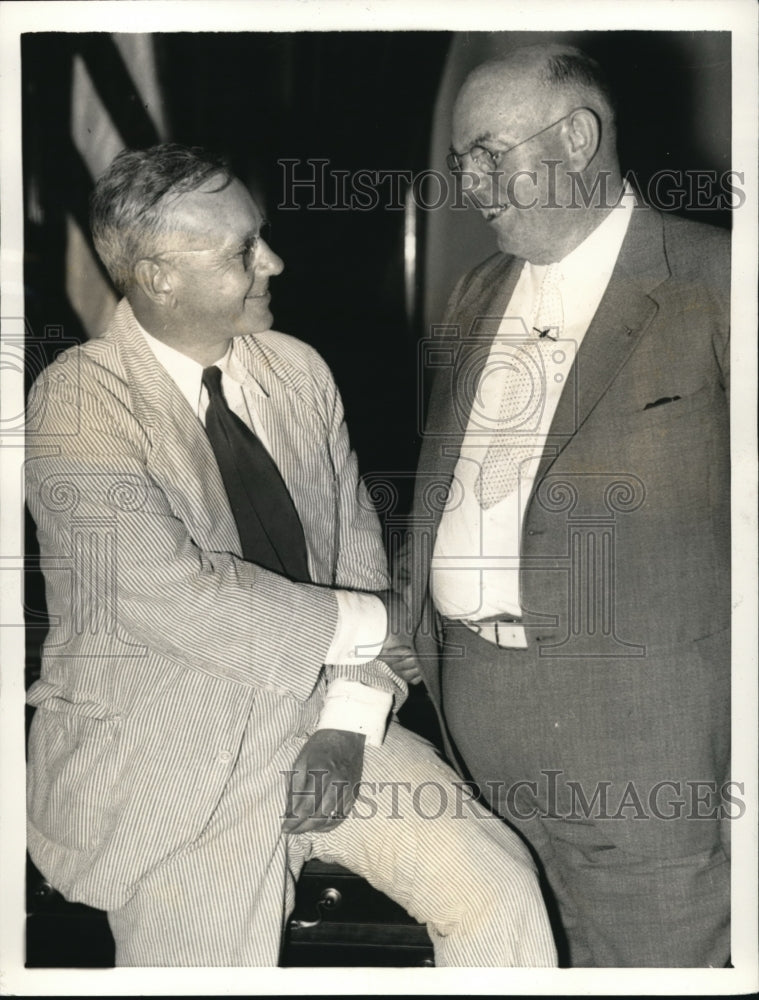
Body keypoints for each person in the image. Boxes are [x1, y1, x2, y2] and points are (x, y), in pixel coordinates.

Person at [24, 143, 557, 968]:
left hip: (321, 725)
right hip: (173, 765)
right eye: (242, 251)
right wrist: (380, 626)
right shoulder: (76, 401)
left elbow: (356, 550)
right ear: (158, 276)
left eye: (260, 235)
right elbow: (171, 596)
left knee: (500, 893)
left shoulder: (299, 371)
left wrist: (346, 724)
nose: (273, 260)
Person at [399, 44, 730, 967]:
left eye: (488, 152)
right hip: (478, 716)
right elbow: (440, 497)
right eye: (461, 160)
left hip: (645, 736)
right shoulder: (475, 292)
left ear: (577, 137)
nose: (469, 183)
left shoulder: (718, 284)